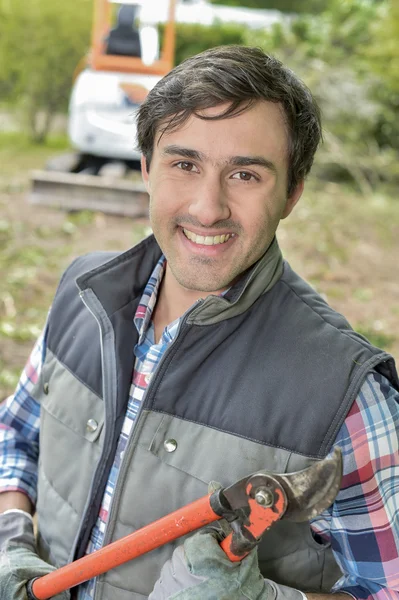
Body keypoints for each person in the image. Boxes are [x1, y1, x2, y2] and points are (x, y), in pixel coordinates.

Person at [0, 45, 398, 600]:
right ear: (146, 169)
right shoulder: (81, 297)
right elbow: (15, 437)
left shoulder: (346, 394)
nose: (208, 208)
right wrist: (10, 539)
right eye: (184, 165)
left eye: (245, 174)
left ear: (292, 193)